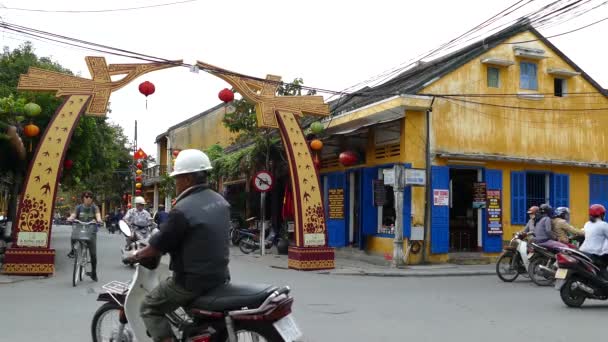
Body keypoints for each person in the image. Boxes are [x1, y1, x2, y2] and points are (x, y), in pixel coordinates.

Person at [127, 149, 230, 342]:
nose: (176, 183)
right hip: (220, 276)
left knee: (149, 307)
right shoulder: (220, 201)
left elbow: (157, 247)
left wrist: (135, 255)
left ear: (188, 179)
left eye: (178, 178)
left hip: (191, 282)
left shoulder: (183, 209)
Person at [67, 190, 102, 281]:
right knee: (73, 236)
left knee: (93, 254)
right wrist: (70, 218)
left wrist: (99, 220)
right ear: (83, 198)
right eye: (86, 197)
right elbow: (74, 215)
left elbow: (98, 215)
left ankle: (93, 272)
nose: (88, 199)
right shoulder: (78, 207)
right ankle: (72, 251)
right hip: (80, 228)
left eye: (90, 197)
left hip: (91, 232)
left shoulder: (95, 207)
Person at [580, 204, 608, 278]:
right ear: (601, 214)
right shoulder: (603, 225)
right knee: (603, 267)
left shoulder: (587, 224)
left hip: (582, 251)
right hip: (594, 254)